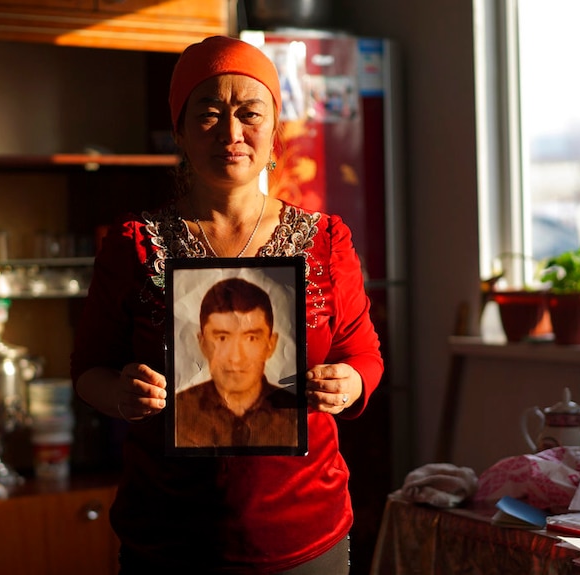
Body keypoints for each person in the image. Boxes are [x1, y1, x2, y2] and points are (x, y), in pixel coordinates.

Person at [70, 34, 383, 575]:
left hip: (303, 533)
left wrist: (348, 383)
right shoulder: (134, 245)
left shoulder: (326, 241)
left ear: (273, 128)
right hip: (167, 538)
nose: (232, 133)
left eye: (250, 113)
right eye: (210, 113)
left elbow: (365, 356)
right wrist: (121, 393)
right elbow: (85, 370)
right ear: (180, 130)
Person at [175, 276, 297, 448]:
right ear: (202, 343)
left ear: (271, 344)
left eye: (251, 338)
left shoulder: (295, 415)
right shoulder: (178, 411)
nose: (236, 358)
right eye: (222, 338)